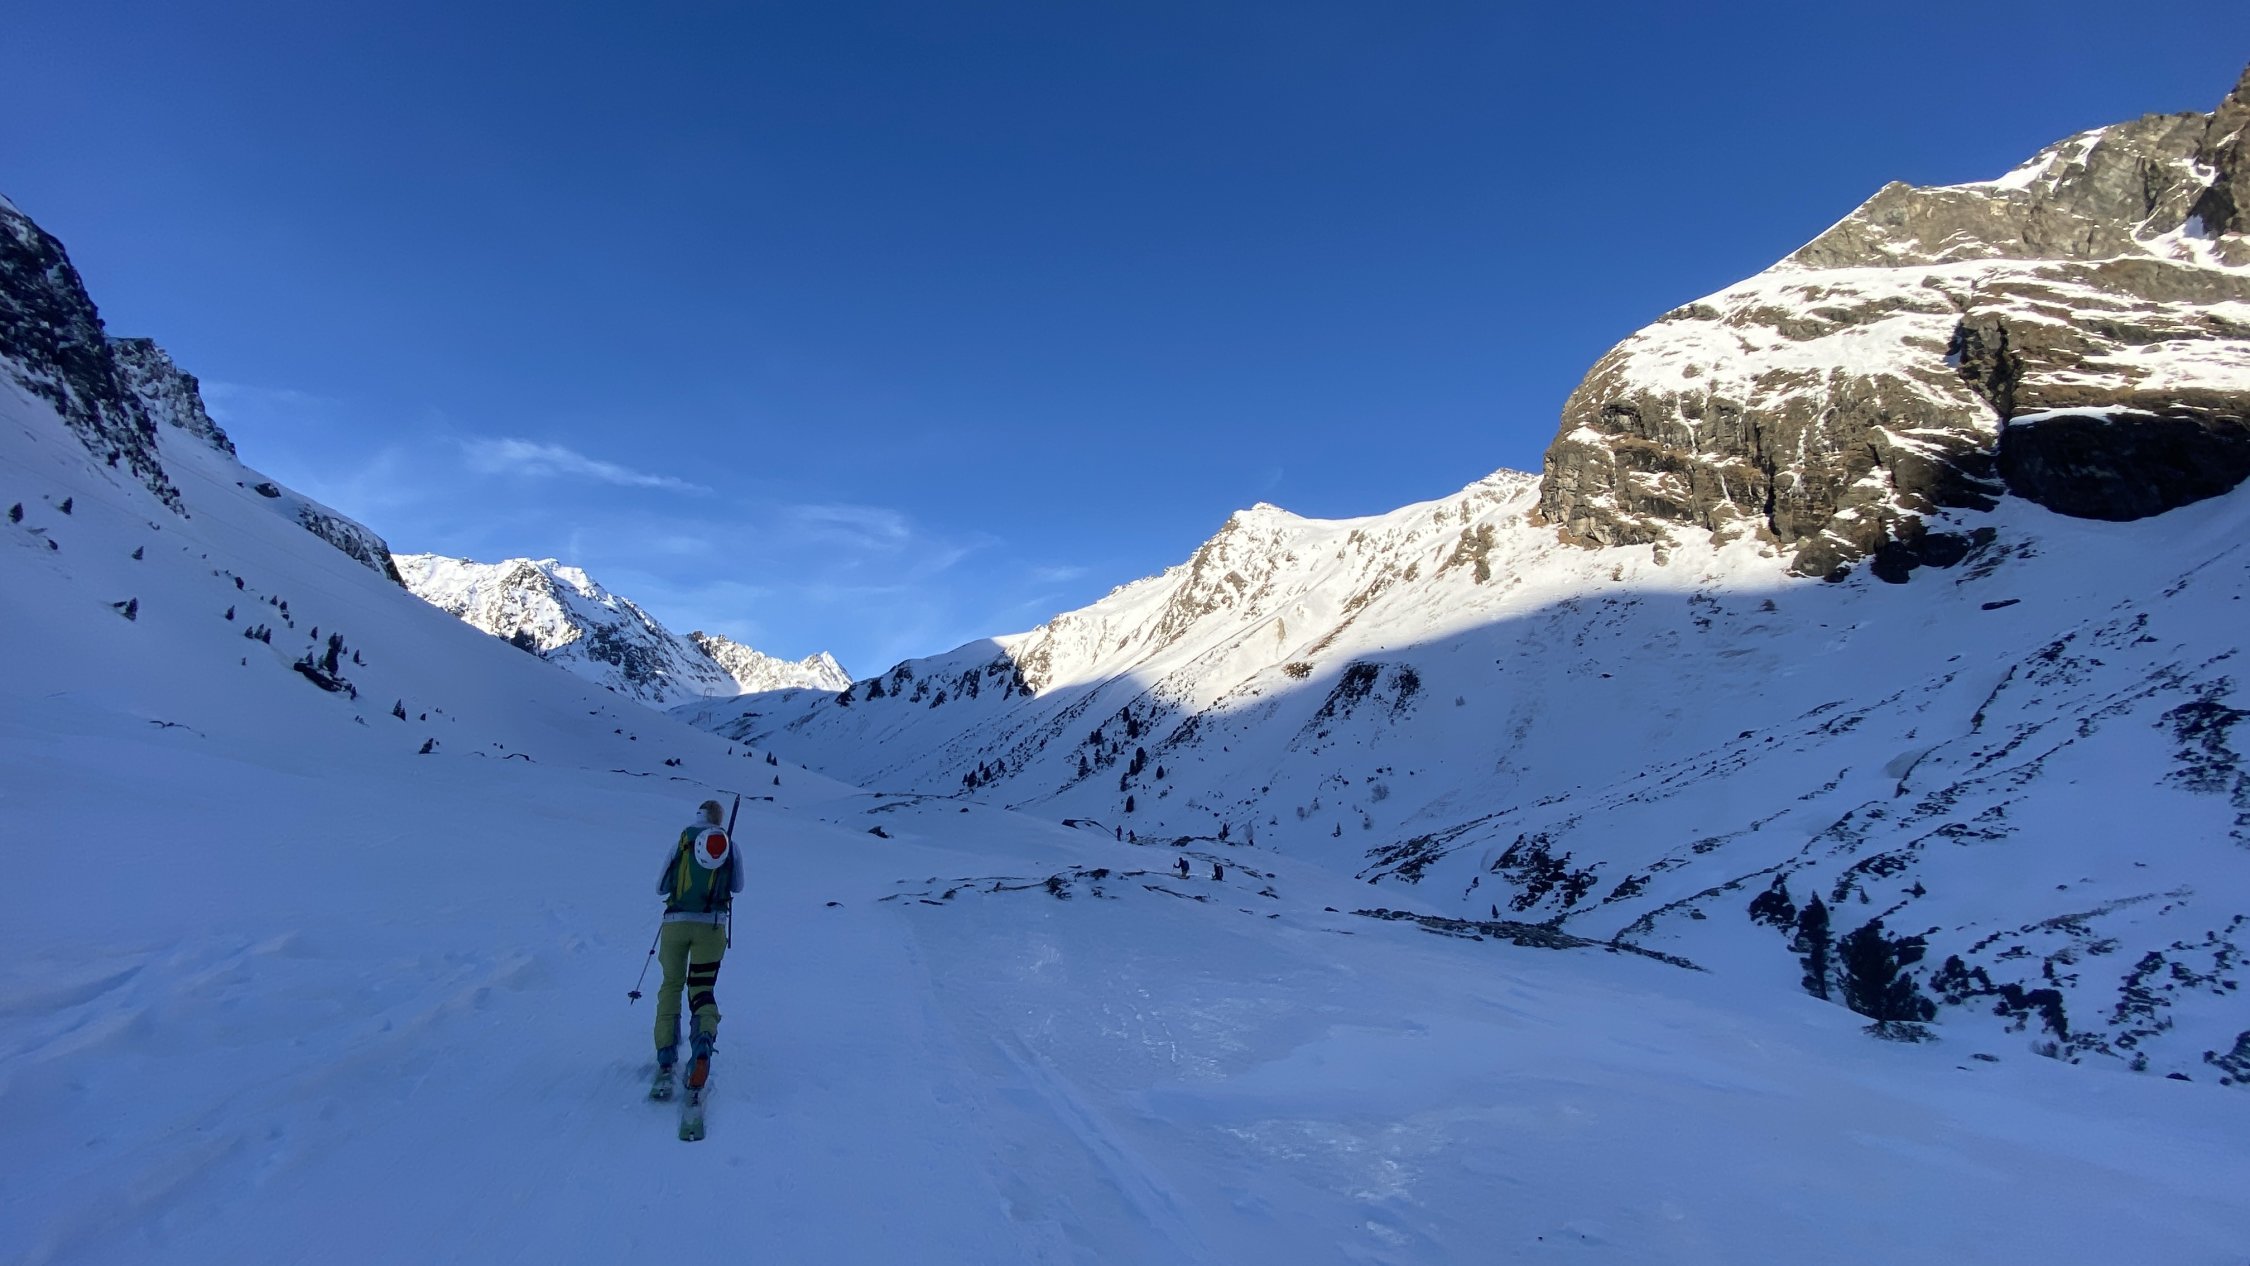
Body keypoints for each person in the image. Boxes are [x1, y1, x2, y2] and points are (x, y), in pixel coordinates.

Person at [652, 799, 742, 1096]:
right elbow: (738, 886)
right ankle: (702, 1048)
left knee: (671, 984)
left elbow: (660, 887)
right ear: (719, 818)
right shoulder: (728, 845)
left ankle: (666, 1056)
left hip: (675, 924)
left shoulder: (682, 841)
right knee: (702, 989)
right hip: (712, 928)